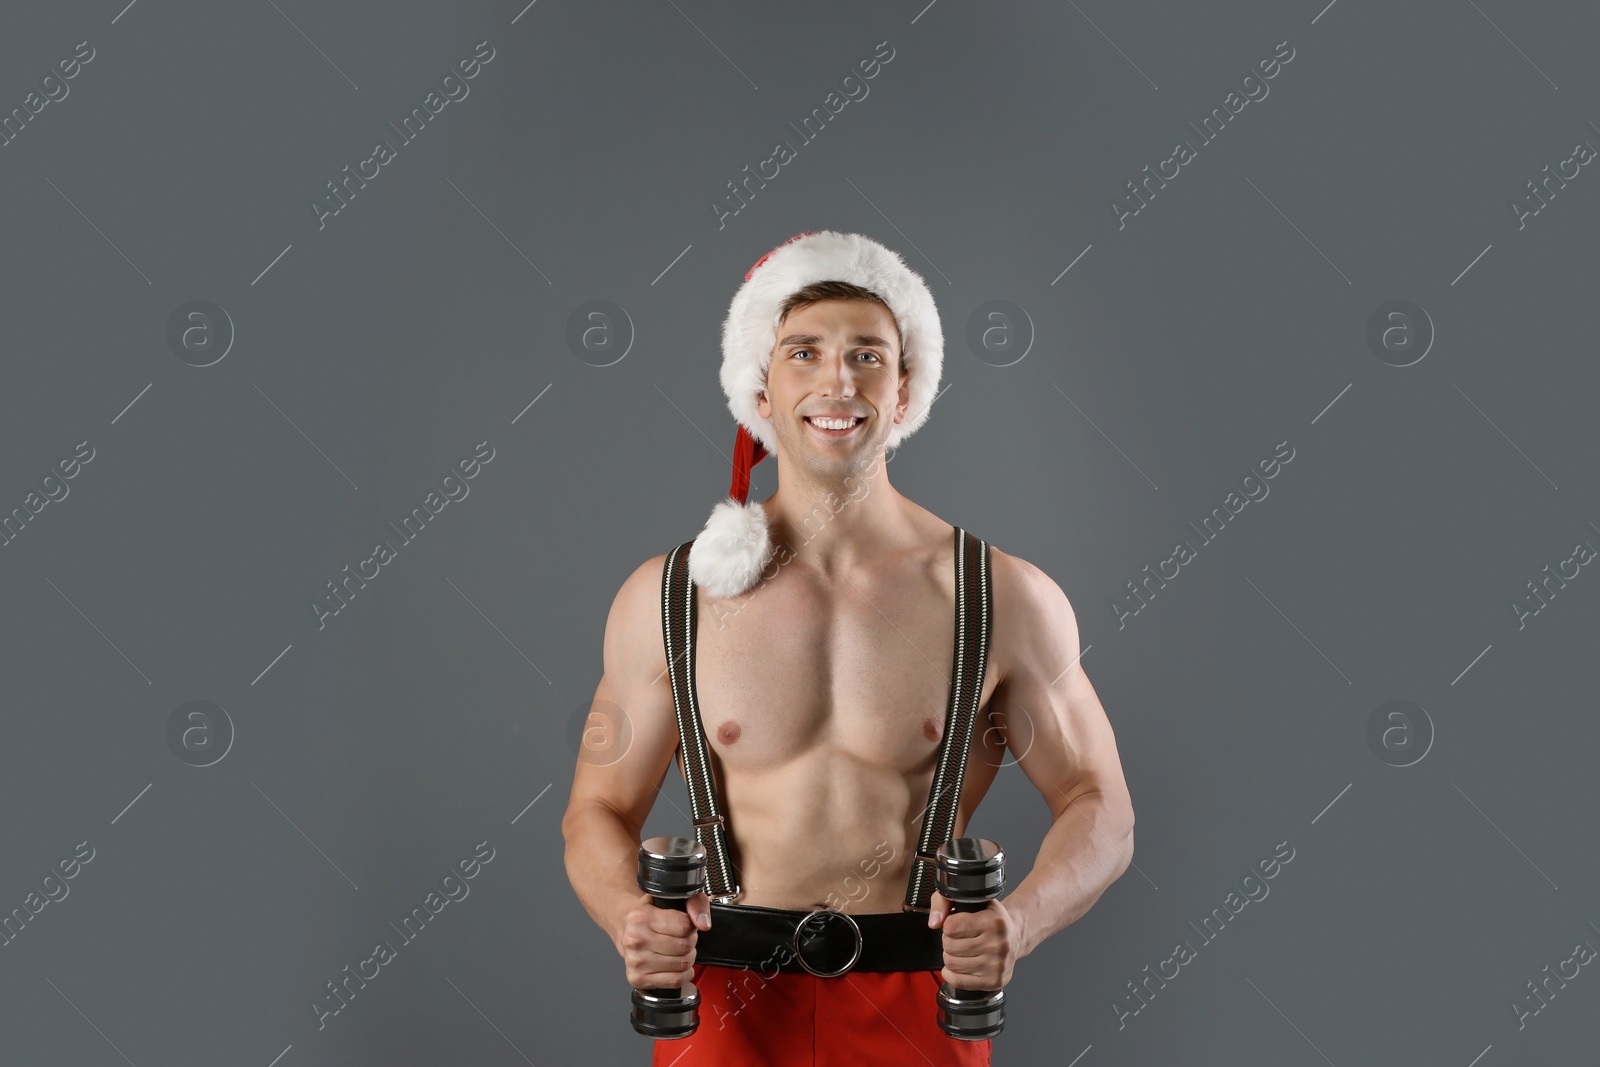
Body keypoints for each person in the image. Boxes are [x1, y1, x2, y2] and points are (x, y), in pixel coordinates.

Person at [563, 230, 1135, 1065]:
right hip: (727, 1001)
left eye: (868, 354)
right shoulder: (668, 597)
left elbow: (1102, 803)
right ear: (760, 386)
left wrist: (1021, 920)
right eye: (806, 351)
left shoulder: (1002, 597)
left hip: (917, 1003)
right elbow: (594, 811)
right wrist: (626, 915)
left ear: (906, 389)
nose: (838, 381)